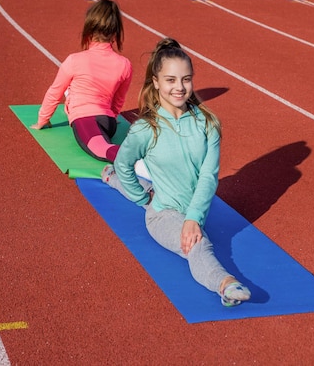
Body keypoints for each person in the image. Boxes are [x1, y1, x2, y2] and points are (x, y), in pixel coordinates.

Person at [101, 38, 251, 307]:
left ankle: (113, 179)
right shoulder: (146, 129)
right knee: (197, 244)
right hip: (162, 214)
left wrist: (193, 217)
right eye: (170, 80)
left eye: (186, 79)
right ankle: (225, 284)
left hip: (189, 207)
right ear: (156, 82)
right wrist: (141, 199)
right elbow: (125, 163)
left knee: (170, 205)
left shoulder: (207, 124)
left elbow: (208, 176)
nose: (179, 88)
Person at [31, 0, 131, 163]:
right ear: (115, 33)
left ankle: (144, 161)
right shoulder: (125, 64)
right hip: (108, 123)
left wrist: (42, 120)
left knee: (102, 150)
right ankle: (73, 94)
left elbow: (54, 92)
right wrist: (112, 116)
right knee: (102, 141)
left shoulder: (74, 60)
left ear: (88, 31)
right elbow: (118, 101)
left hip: (85, 119)